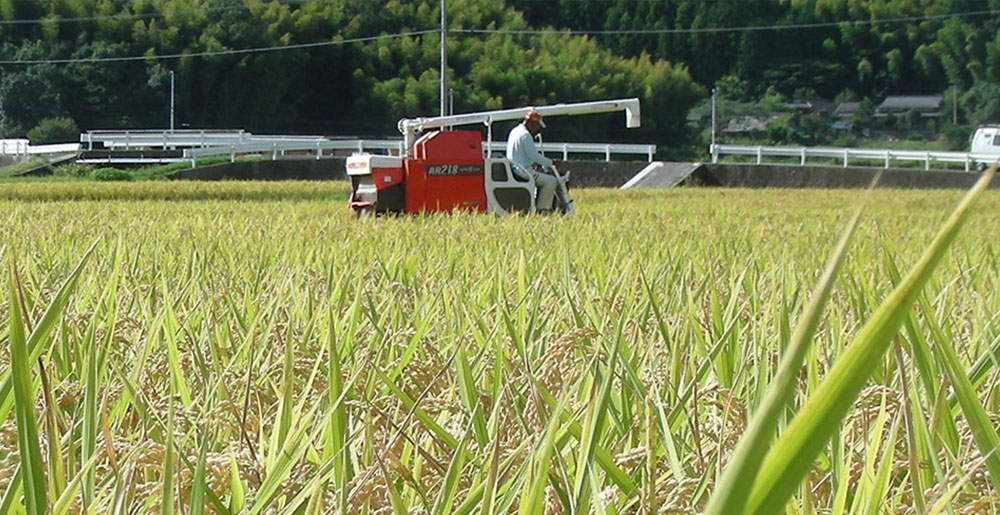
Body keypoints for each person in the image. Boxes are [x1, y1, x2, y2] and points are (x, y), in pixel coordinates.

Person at [506, 109, 562, 212]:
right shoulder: (525, 135)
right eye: (537, 125)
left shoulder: (515, 131)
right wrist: (551, 162)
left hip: (516, 168)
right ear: (532, 123)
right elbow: (534, 156)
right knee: (551, 181)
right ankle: (543, 209)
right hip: (524, 171)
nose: (537, 128)